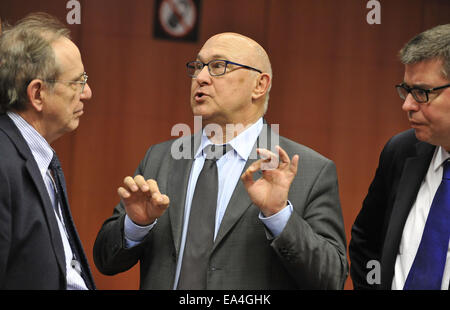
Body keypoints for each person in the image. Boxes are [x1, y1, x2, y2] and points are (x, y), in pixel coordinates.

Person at [94, 32, 348, 289]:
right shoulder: (161, 158)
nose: (200, 78)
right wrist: (136, 225)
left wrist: (279, 216)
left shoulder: (307, 170)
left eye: (218, 66)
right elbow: (106, 261)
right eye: (198, 67)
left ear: (259, 85)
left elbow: (331, 278)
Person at [349, 24, 450, 290]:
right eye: (406, 91)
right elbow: (365, 244)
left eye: (422, 93)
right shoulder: (402, 151)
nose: (407, 105)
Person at [0, 12, 95, 289]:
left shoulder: (40, 158)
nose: (87, 92)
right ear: (38, 94)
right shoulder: (4, 161)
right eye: (77, 82)